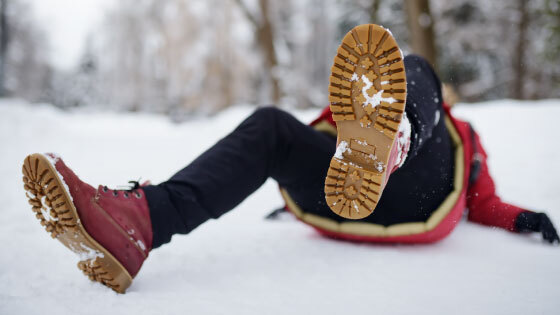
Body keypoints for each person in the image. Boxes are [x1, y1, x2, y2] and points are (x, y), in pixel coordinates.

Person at [21, 24, 558, 294]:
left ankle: (397, 139)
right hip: (347, 200)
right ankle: (141, 222)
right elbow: (482, 199)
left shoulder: (461, 133)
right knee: (272, 126)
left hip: (415, 195)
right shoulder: (366, 131)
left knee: (418, 67)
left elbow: (481, 200)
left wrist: (520, 218)